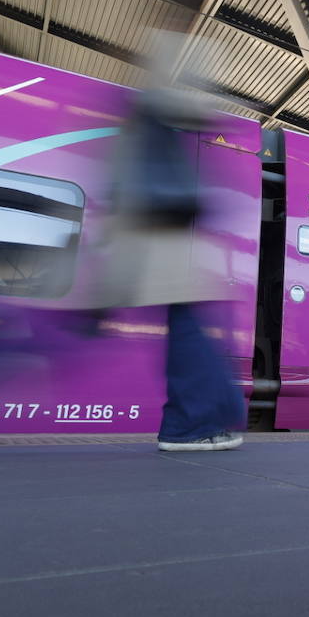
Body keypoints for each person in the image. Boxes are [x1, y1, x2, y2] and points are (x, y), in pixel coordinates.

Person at [96, 78, 245, 452]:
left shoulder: (136, 128)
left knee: (191, 334)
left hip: (153, 244)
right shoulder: (149, 112)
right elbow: (191, 110)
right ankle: (187, 429)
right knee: (192, 336)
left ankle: (193, 424)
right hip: (160, 241)